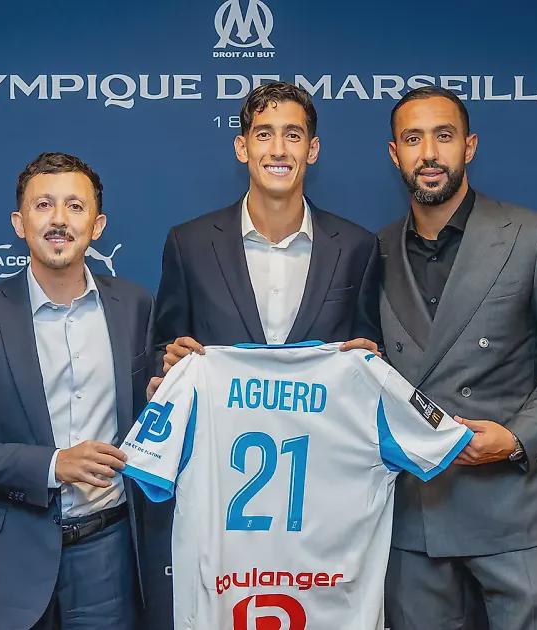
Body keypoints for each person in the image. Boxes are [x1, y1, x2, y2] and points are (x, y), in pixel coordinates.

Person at [141, 81, 381, 629]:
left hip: (322, 501)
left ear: (312, 150)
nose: (278, 149)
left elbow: (372, 354)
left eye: (292, 135)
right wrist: (167, 369)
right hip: (221, 499)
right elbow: (162, 350)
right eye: (264, 134)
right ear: (241, 146)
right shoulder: (189, 243)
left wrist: (369, 361)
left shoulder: (358, 247)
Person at [378, 86, 537, 630]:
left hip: (518, 512)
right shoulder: (373, 252)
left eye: (444, 136)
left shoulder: (533, 235)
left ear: (469, 146)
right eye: (413, 139)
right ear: (395, 154)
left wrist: (518, 437)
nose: (429, 153)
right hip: (415, 519)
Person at [0, 152, 152, 630]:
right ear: (19, 222)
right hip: (6, 564)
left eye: (75, 206)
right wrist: (53, 465)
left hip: (108, 560)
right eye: (43, 205)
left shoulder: (135, 306)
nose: (59, 220)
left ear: (97, 225)